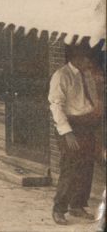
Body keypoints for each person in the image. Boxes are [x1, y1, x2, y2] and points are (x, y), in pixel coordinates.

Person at [48, 42, 103, 225]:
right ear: (77, 57)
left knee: (87, 165)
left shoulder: (87, 74)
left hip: (87, 124)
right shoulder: (61, 76)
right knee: (70, 166)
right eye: (87, 58)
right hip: (70, 126)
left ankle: (78, 205)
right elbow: (56, 106)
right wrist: (67, 133)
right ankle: (59, 209)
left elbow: (92, 99)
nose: (90, 62)